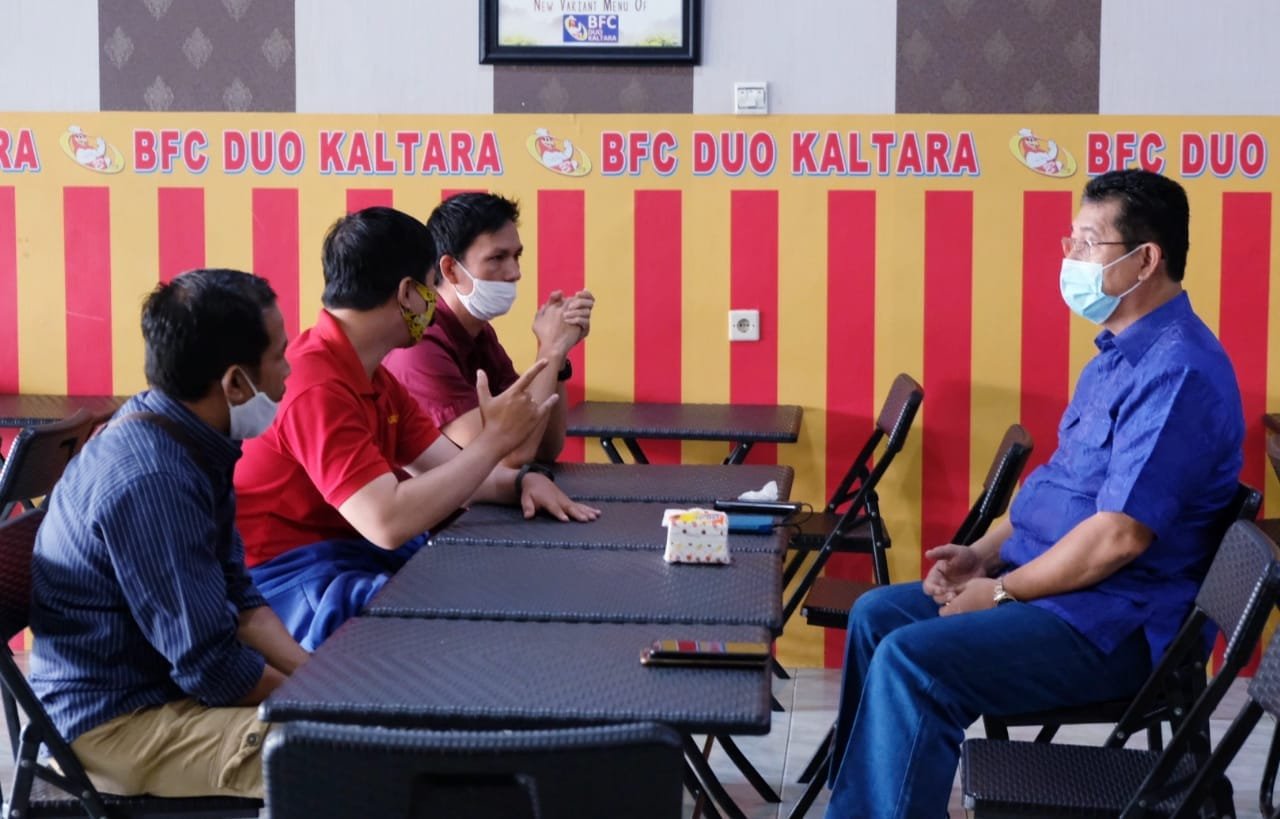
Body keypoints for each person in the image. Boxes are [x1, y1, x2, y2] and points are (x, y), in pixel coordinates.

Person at [824, 169, 1245, 819]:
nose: (1071, 258)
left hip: (1111, 626)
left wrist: (999, 592)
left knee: (914, 662)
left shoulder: (1178, 371)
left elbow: (1118, 536)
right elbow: (1055, 490)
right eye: (1070, 240)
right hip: (1056, 591)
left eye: (1089, 242)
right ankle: (859, 804)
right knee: (877, 616)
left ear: (1146, 260)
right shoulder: (1115, 357)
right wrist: (983, 555)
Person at [234, 206, 599, 651]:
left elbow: (452, 470)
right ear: (408, 292)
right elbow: (386, 522)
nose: (435, 301)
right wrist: (495, 443)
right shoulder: (316, 383)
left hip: (353, 550)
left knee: (488, 581)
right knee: (454, 626)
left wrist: (520, 482)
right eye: (431, 285)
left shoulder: (373, 374)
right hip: (294, 574)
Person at [30, 268, 308, 799]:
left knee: (345, 717)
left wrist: (317, 677)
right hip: (116, 726)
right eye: (279, 355)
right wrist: (319, 700)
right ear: (234, 383)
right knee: (340, 753)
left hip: (164, 689)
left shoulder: (184, 432)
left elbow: (240, 602)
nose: (289, 369)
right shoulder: (155, 479)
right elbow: (212, 666)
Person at [383, 192, 592, 466]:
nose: (514, 272)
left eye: (516, 256)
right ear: (450, 269)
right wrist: (550, 351)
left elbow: (545, 447)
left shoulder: (478, 333)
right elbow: (511, 456)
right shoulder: (420, 347)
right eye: (497, 258)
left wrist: (558, 355)